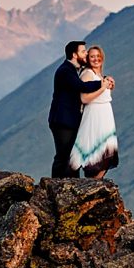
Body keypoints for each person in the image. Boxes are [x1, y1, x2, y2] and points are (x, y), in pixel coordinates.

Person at [48, 40, 113, 179]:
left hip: (68, 120)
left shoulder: (71, 70)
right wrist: (102, 84)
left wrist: (104, 80)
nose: (86, 54)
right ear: (74, 54)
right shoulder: (66, 70)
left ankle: (70, 184)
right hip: (62, 120)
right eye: (83, 52)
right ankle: (54, 185)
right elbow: (82, 87)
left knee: (70, 154)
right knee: (63, 155)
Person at [68, 44, 119, 178]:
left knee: (105, 154)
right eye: (92, 56)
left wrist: (108, 86)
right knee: (95, 154)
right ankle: (92, 184)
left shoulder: (100, 75)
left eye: (98, 56)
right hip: (94, 116)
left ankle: (96, 184)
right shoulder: (87, 74)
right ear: (88, 59)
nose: (96, 59)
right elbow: (84, 98)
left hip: (105, 116)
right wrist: (103, 88)